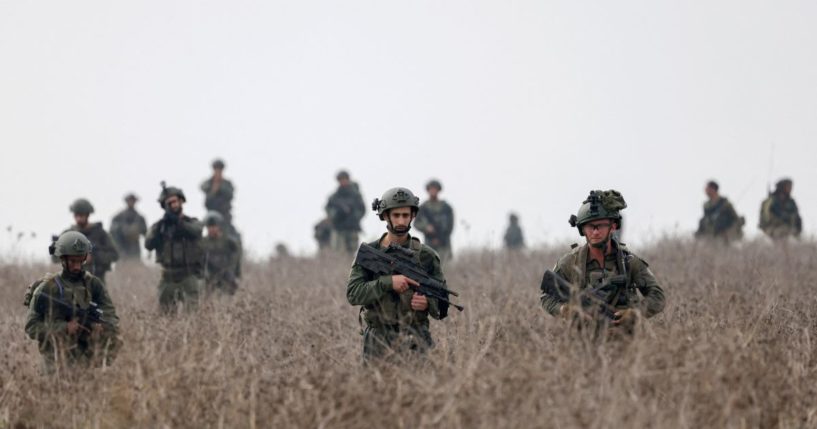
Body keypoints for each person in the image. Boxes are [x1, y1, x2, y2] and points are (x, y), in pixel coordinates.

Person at [540, 190, 665, 336]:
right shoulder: (570, 262)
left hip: (627, 341)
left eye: (600, 226)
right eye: (590, 227)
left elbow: (658, 296)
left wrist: (635, 314)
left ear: (612, 227)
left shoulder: (629, 262)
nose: (595, 232)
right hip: (583, 343)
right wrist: (565, 311)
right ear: (582, 230)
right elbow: (546, 297)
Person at [346, 187, 447, 362]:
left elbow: (442, 302)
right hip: (378, 340)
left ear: (413, 216)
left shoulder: (426, 255)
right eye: (396, 215)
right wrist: (387, 282)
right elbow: (353, 294)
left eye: (406, 215)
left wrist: (427, 303)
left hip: (416, 338)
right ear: (385, 216)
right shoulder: (370, 253)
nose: (401, 220)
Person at [25, 231, 120, 371]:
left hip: (87, 363)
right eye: (72, 261)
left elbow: (111, 317)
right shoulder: (47, 288)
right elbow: (31, 327)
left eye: (80, 260)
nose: (77, 266)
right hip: (54, 363)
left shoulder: (93, 284)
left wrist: (101, 327)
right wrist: (64, 328)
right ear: (63, 260)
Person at [145, 184, 204, 313]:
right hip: (168, 276)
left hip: (188, 275)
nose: (173, 205)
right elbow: (148, 244)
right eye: (169, 203)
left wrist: (178, 222)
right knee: (165, 316)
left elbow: (196, 231)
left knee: (192, 315)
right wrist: (160, 229)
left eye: (175, 201)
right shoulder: (160, 226)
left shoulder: (192, 222)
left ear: (181, 201)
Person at [62, 198, 119, 283]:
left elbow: (114, 255)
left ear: (87, 215)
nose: (78, 218)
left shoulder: (100, 233)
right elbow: (55, 257)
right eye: (76, 215)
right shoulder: (68, 234)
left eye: (81, 215)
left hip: (96, 281)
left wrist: (94, 257)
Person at [325, 170, 366, 253]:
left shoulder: (355, 195)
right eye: (340, 180)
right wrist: (335, 214)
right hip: (338, 227)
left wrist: (354, 217)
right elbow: (328, 209)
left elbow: (362, 209)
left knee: (352, 252)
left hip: (352, 227)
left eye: (344, 179)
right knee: (337, 251)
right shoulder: (335, 196)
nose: (343, 182)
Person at [414, 179, 455, 261]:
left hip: (444, 243)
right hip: (429, 243)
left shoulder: (446, 207)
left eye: (435, 189)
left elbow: (450, 225)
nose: (433, 191)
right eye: (431, 189)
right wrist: (426, 227)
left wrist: (441, 237)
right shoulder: (423, 207)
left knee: (446, 267)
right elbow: (416, 223)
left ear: (439, 190)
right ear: (428, 190)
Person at [201, 211, 241, 295]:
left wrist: (236, 274)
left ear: (218, 227)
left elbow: (236, 258)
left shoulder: (228, 241)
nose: (211, 229)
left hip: (226, 275)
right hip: (210, 276)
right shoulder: (203, 242)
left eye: (214, 226)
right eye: (209, 227)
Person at [110, 193, 148, 260]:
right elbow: (112, 230)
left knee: (135, 265)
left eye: (133, 201)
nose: (131, 202)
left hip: (135, 247)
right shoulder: (119, 216)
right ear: (126, 201)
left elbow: (146, 234)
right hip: (122, 246)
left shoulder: (140, 217)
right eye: (129, 201)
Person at [201, 159, 236, 231]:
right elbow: (202, 187)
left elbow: (230, 195)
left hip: (225, 214)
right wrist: (213, 188)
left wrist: (220, 187)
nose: (218, 172)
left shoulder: (227, 183)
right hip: (211, 212)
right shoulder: (209, 182)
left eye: (219, 170)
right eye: (216, 170)